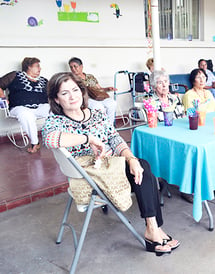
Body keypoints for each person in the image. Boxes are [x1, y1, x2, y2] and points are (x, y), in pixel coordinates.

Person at [42, 72, 179, 255]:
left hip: (110, 167)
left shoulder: (97, 114)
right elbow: (50, 139)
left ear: (82, 91)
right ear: (56, 99)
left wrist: (130, 159)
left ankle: (153, 228)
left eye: (75, 90)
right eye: (65, 93)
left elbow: (114, 139)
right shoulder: (55, 121)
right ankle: (153, 231)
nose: (72, 96)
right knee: (146, 174)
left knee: (141, 166)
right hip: (90, 178)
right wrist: (87, 138)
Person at [182, 68, 215, 199]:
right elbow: (191, 114)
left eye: (204, 77)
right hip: (198, 127)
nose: (202, 80)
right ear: (193, 80)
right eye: (198, 77)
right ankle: (191, 188)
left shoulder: (208, 93)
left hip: (213, 126)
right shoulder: (189, 95)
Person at [150, 70, 192, 203]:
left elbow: (181, 116)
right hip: (162, 137)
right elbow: (154, 123)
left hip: (179, 133)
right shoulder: (150, 102)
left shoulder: (175, 98)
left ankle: (189, 182)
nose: (164, 85)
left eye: (166, 82)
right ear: (153, 86)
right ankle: (184, 187)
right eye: (159, 83)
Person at [0, 57, 49, 153]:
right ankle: (35, 143)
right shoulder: (15, 75)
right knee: (26, 115)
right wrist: (3, 97)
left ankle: (58, 138)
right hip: (20, 107)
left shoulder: (43, 80)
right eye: (37, 66)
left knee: (54, 110)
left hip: (40, 107)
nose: (40, 68)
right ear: (29, 67)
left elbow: (53, 93)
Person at [68, 57, 117, 124]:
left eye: (75, 66)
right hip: (86, 99)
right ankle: (101, 126)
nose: (73, 69)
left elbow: (99, 89)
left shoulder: (90, 76)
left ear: (81, 66)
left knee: (112, 103)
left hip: (97, 96)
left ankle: (110, 125)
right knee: (99, 107)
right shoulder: (72, 79)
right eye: (71, 67)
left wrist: (107, 89)